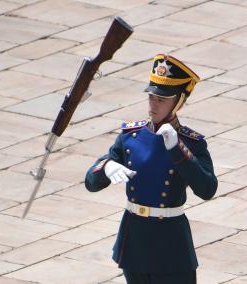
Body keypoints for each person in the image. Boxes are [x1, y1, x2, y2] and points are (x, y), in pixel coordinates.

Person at [85, 54, 218, 284]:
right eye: (151, 97)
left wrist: (178, 149)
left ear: (179, 102)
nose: (153, 105)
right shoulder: (131, 137)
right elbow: (90, 182)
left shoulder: (192, 143)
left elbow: (207, 188)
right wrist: (107, 166)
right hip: (135, 239)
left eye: (162, 99)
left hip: (171, 242)